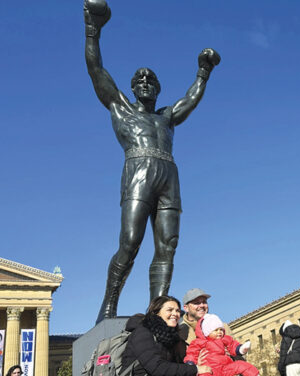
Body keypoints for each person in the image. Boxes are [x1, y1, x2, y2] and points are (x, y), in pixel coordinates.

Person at [83, 0, 222, 324]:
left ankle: (157, 310)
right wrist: (93, 31)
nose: (145, 82)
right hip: (138, 170)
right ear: (132, 88)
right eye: (139, 80)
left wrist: (204, 70)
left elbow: (191, 98)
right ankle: (108, 305)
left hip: (168, 174)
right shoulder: (121, 107)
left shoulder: (167, 117)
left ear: (157, 89)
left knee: (168, 246)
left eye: (151, 80)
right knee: (130, 243)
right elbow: (95, 69)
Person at [120, 296, 211, 376]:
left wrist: (193, 364)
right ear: (157, 312)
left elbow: (176, 367)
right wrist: (195, 369)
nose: (175, 314)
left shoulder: (171, 338)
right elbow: (157, 368)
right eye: (169, 310)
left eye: (177, 310)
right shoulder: (143, 332)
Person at [184, 313, 258, 376]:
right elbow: (192, 353)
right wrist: (191, 363)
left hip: (226, 367)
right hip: (209, 369)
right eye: (216, 330)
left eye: (221, 329)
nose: (219, 332)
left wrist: (239, 349)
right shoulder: (199, 341)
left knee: (240, 365)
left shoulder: (225, 339)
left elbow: (232, 345)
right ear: (207, 332)